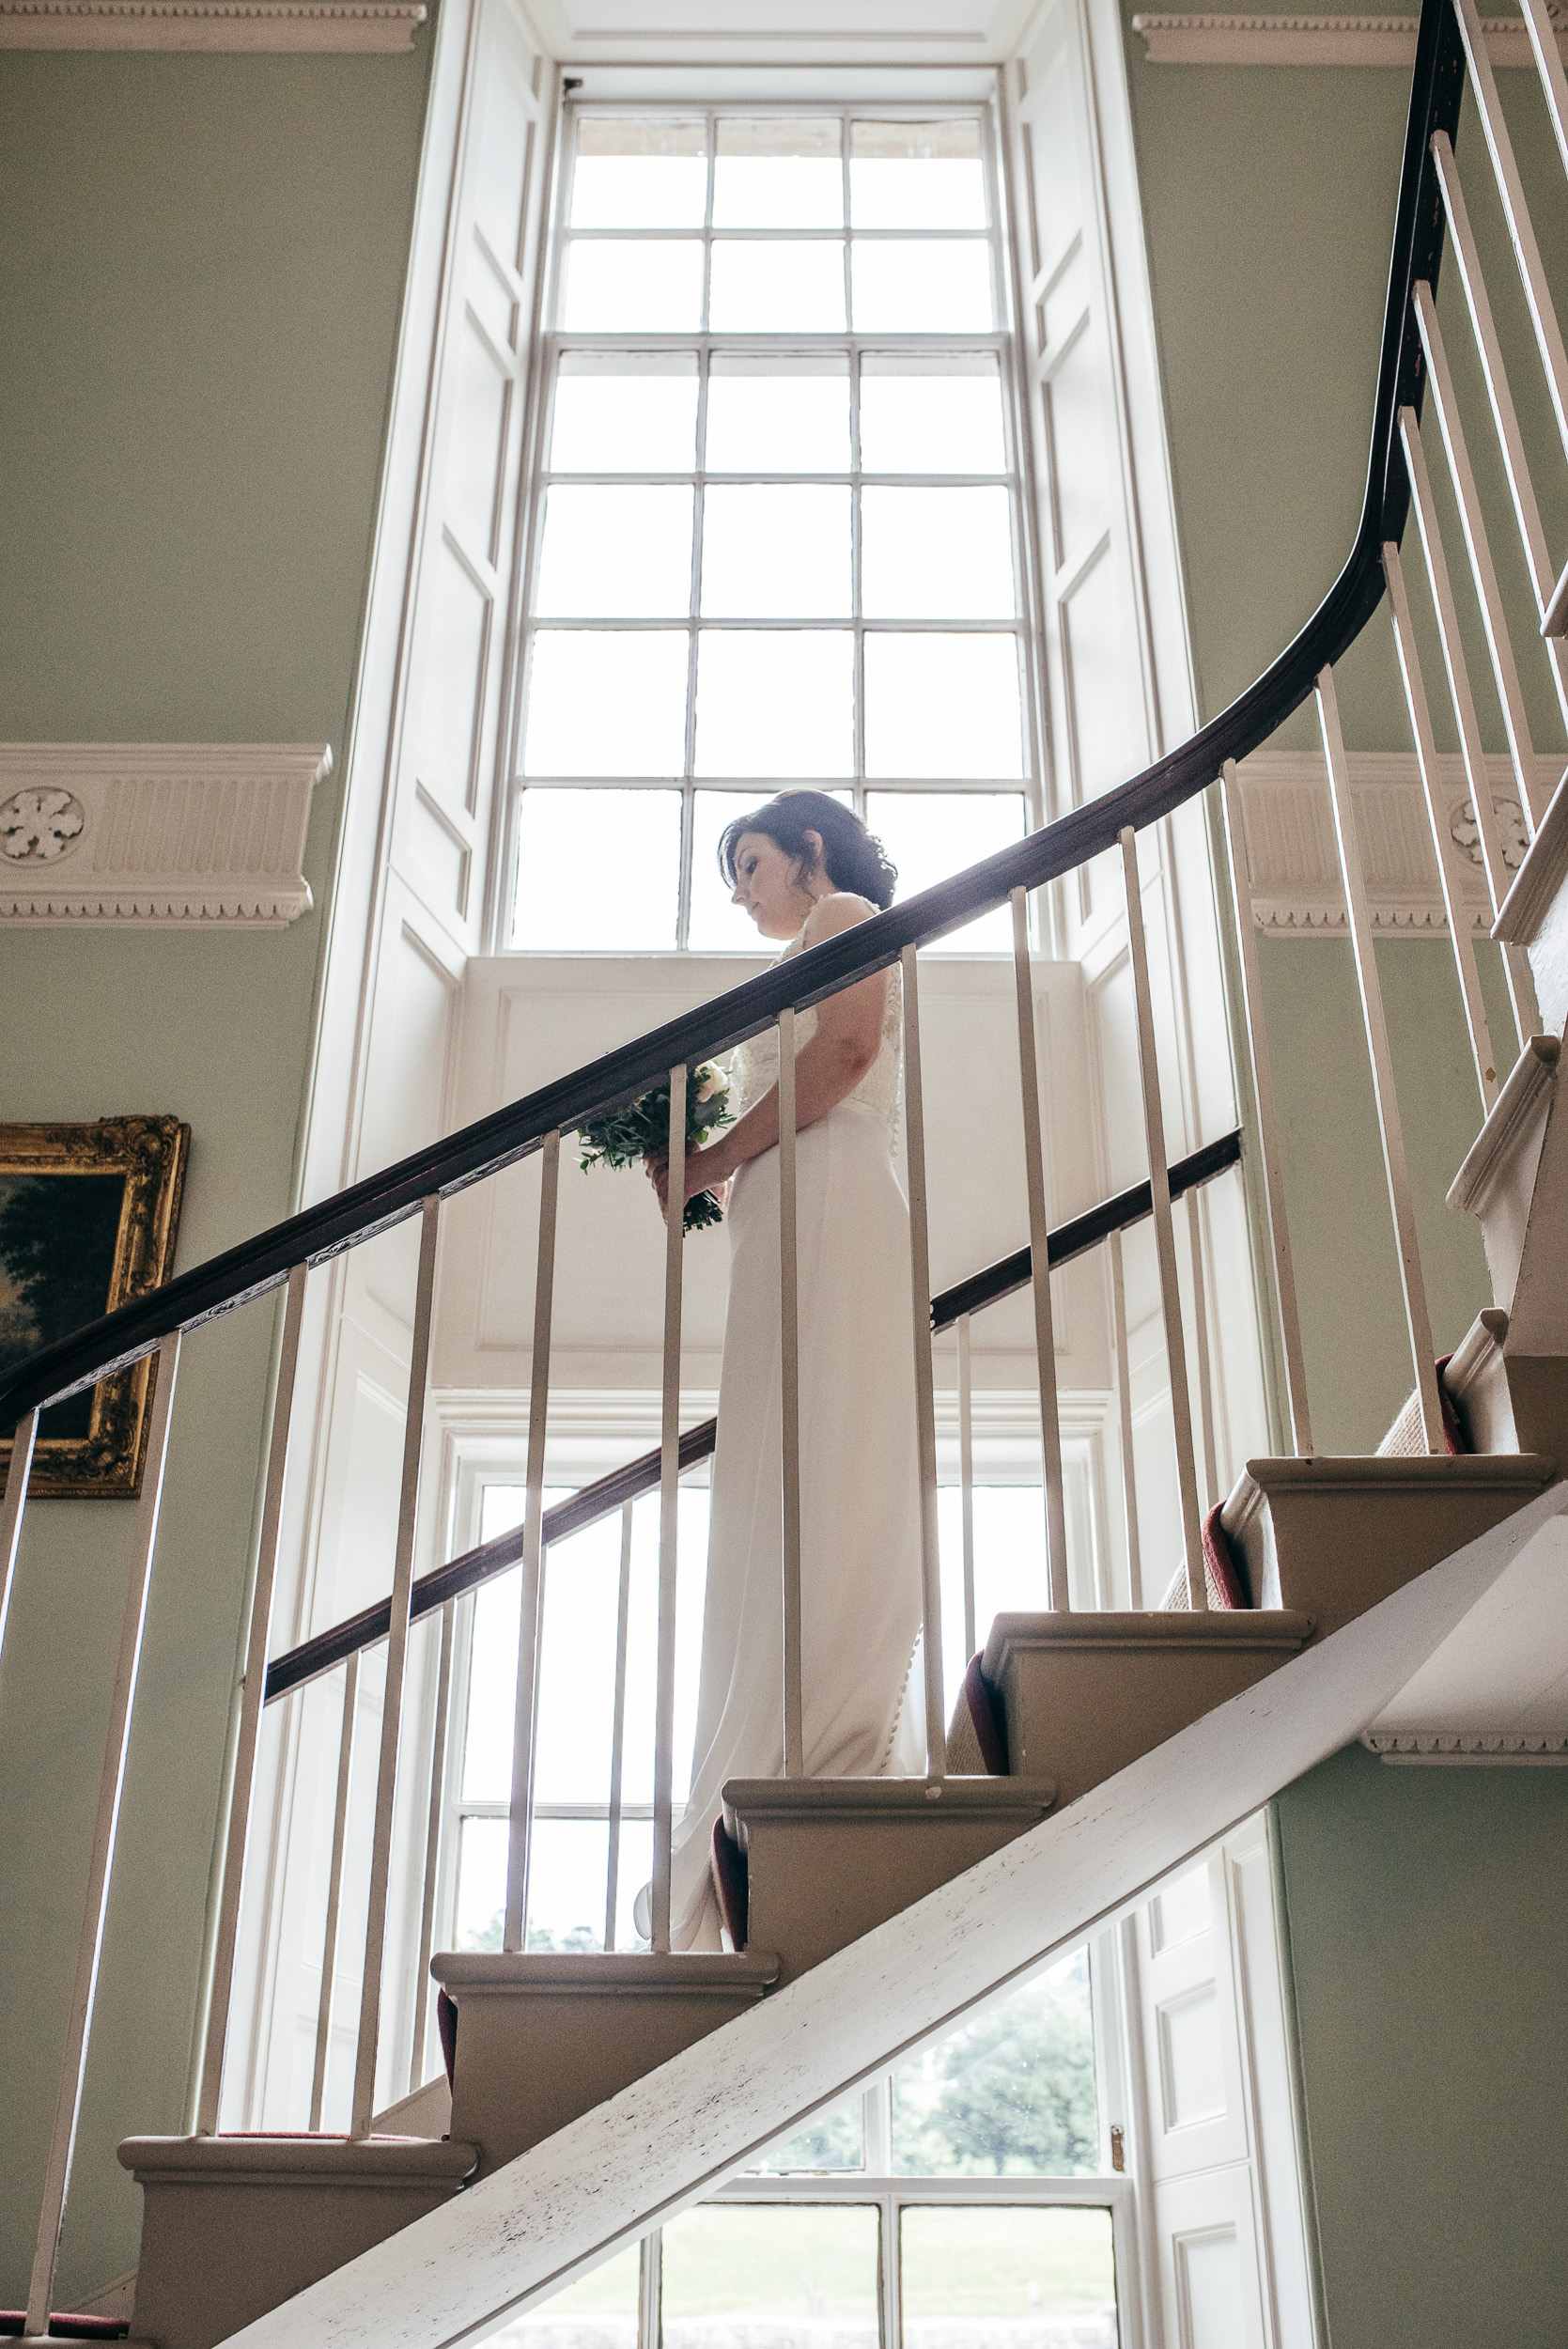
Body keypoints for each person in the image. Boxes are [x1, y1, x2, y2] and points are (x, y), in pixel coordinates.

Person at [643, 790, 926, 1952]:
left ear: (809, 851)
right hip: (791, 1204)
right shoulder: (812, 932)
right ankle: (773, 1733)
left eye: (751, 862)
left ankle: (829, 1729)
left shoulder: (845, 911)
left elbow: (847, 1053)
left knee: (828, 1441)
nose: (742, 891)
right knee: (779, 1456)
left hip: (832, 1189)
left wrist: (707, 1158)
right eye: (733, 875)